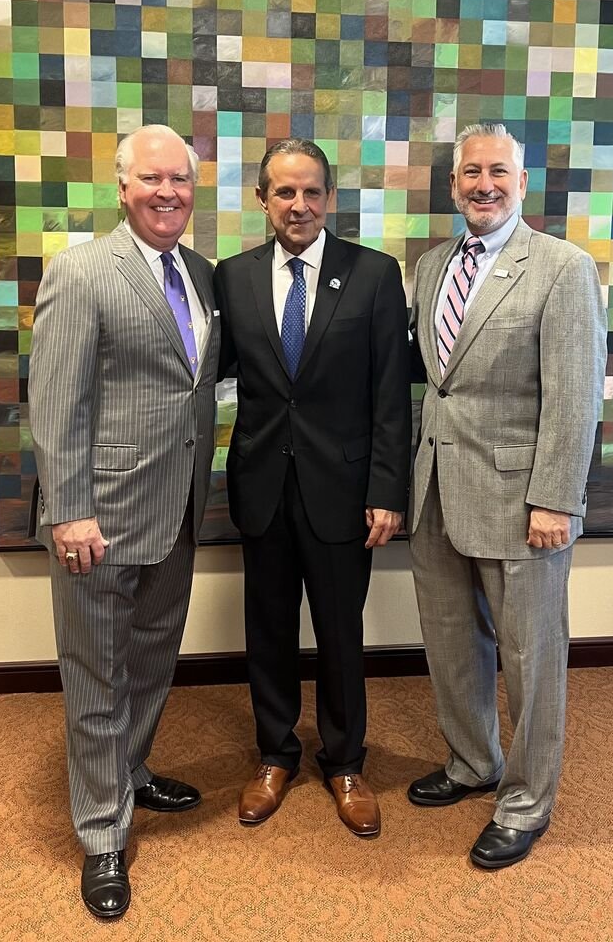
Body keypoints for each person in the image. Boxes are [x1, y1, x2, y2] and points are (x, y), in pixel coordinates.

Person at [29, 124, 219, 917]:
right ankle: (103, 831)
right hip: (99, 517)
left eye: (180, 179)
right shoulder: (81, 272)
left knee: (149, 658)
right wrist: (68, 509)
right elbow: (55, 401)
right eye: (152, 178)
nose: (167, 192)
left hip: (177, 510)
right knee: (96, 673)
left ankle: (129, 770)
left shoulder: (201, 275)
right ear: (122, 186)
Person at [407, 123, 606, 868]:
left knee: (530, 656)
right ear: (453, 184)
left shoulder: (561, 267)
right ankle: (472, 762)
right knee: (451, 641)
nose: (483, 184)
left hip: (524, 501)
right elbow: (440, 384)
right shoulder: (431, 266)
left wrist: (556, 498)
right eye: (470, 172)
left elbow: (575, 397)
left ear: (522, 183)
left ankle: (526, 800)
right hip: (435, 490)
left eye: (498, 172)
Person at [214, 139, 411, 837]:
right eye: (284, 192)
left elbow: (391, 393)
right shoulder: (232, 277)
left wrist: (389, 488)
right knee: (267, 628)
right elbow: (206, 371)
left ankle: (346, 762)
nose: (299, 205)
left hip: (344, 488)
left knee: (339, 632)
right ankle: (275, 755)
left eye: (312, 192)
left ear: (329, 197)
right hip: (263, 483)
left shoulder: (374, 274)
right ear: (262, 199)